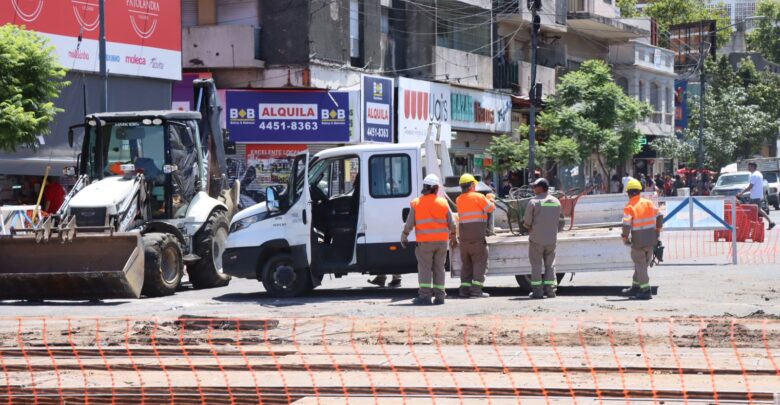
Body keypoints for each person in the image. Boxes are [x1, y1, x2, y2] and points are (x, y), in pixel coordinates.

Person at [401, 174, 457, 305]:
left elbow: (409, 223)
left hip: (425, 243)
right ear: (436, 188)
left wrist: (404, 235)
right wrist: (453, 235)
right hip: (442, 243)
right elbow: (452, 224)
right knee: (439, 268)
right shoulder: (443, 203)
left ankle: (425, 297)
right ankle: (440, 297)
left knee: (425, 269)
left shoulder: (416, 203)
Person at [621, 179, 663, 300]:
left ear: (628, 193)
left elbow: (626, 225)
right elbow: (660, 215)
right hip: (651, 240)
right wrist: (658, 230)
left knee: (640, 265)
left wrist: (625, 237)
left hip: (638, 241)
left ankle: (645, 290)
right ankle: (635, 287)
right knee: (641, 265)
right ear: (640, 191)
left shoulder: (629, 207)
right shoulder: (649, 203)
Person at [455, 173, 495, 299]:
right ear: (472, 185)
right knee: (479, 263)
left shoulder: (459, 199)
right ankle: (476, 291)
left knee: (466, 265)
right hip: (477, 238)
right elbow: (491, 208)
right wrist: (490, 198)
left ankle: (464, 290)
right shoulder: (478, 197)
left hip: (464, 239)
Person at [522, 178, 561, 299]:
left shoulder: (533, 202)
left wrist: (526, 227)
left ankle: (537, 292)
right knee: (550, 265)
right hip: (551, 239)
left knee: (536, 265)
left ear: (541, 188)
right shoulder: (556, 201)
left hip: (536, 239)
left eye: (535, 186)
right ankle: (550, 291)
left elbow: (527, 222)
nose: (533, 189)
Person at [738, 162, 776, 230]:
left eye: (749, 166)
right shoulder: (759, 173)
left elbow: (750, 187)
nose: (748, 168)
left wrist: (741, 193)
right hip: (758, 195)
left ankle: (753, 227)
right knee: (758, 210)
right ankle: (769, 222)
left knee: (753, 211)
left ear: (752, 167)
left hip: (755, 197)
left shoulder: (754, 175)